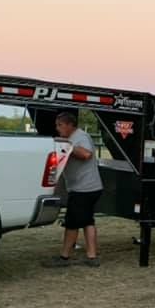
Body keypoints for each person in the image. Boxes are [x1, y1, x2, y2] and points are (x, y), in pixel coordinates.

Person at [44, 112, 104, 267]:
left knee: (72, 223)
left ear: (70, 125)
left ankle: (64, 257)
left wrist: (66, 144)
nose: (58, 129)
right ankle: (92, 257)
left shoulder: (80, 137)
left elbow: (86, 154)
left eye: (60, 125)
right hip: (88, 187)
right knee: (87, 221)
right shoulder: (73, 138)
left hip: (84, 189)